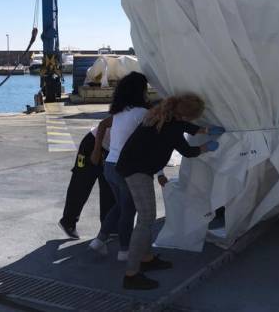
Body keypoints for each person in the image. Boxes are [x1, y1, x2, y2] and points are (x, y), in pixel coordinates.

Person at [118, 93, 224, 290]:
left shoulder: (162, 115)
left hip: (133, 166)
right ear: (185, 115)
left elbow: (185, 127)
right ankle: (131, 274)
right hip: (136, 171)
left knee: (145, 217)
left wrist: (206, 129)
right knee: (146, 219)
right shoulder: (172, 127)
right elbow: (188, 151)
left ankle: (147, 259)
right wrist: (207, 146)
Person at [86, 72, 154, 261]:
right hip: (126, 169)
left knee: (120, 205)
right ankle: (125, 251)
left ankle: (99, 241)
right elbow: (151, 143)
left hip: (110, 166)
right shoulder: (143, 114)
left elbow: (103, 126)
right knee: (128, 210)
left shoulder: (119, 112)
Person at [58, 123, 115, 240]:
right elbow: (103, 124)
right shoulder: (132, 110)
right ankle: (68, 222)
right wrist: (96, 150)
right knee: (81, 184)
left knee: (109, 188)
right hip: (92, 145)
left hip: (110, 151)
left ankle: (109, 227)